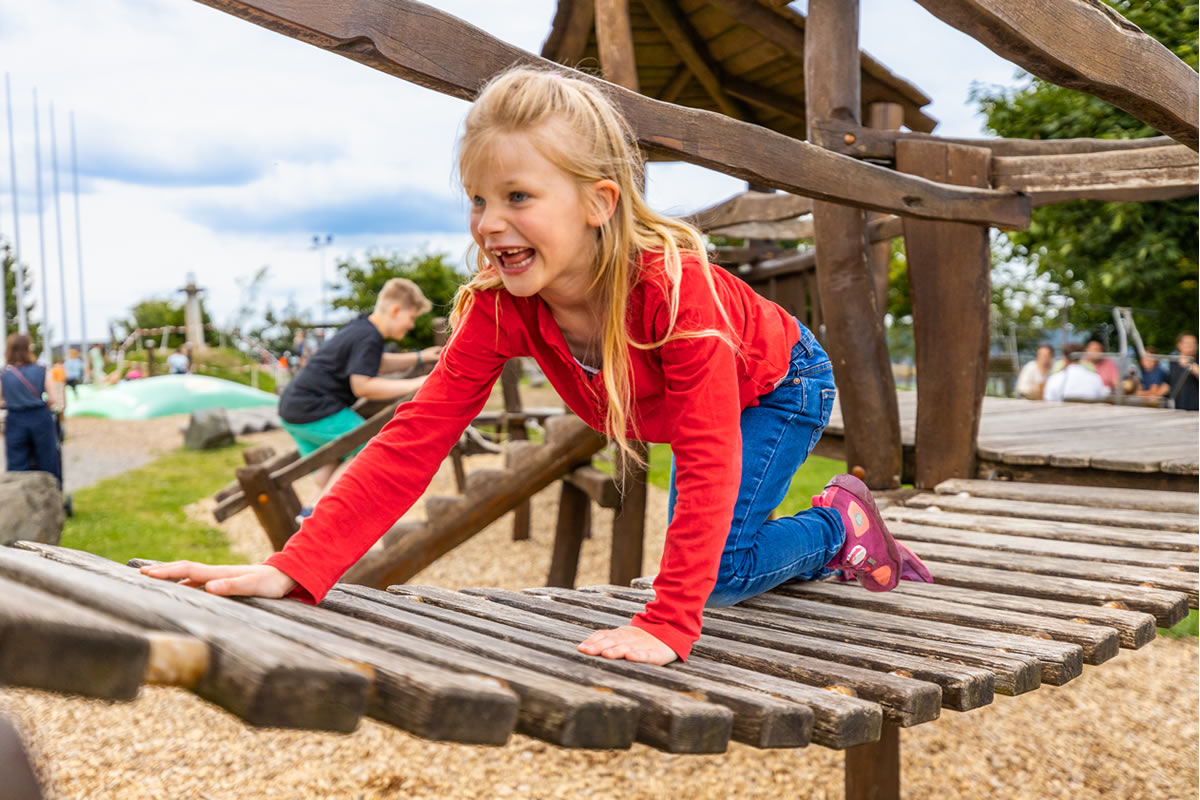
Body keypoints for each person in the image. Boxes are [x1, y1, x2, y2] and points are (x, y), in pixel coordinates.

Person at [142, 67, 931, 667]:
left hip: (781, 385)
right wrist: (298, 566)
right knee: (719, 565)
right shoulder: (501, 305)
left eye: (517, 196)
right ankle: (822, 533)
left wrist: (666, 619)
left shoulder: (672, 293)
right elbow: (417, 435)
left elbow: (707, 449)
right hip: (701, 405)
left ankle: (838, 524)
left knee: (718, 575)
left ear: (598, 202)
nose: (489, 224)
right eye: (476, 199)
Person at [276, 277, 443, 501]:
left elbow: (373, 362)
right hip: (315, 408)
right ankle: (319, 513)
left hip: (293, 408)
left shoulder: (362, 328)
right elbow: (362, 385)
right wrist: (417, 383)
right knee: (371, 448)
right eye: (411, 317)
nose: (412, 325)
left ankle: (309, 512)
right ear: (395, 310)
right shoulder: (370, 336)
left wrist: (419, 357)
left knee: (327, 471)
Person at [2, 333, 64, 488]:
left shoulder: (5, 374)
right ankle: (52, 496)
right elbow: (52, 399)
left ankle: (20, 499)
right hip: (40, 417)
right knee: (47, 460)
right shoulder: (41, 370)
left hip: (15, 419)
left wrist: (14, 400)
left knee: (17, 463)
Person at [1043, 343, 1108, 402]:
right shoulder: (1095, 378)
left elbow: (1048, 400)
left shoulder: (1054, 379)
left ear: (1064, 358)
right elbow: (1102, 398)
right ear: (1082, 357)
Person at [1166, 333, 1199, 411]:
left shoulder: (1197, 362)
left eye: (1194, 343)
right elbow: (1168, 384)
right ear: (1179, 345)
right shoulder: (1172, 363)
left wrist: (1196, 370)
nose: (1191, 345)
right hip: (1175, 408)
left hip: (1194, 410)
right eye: (1187, 343)